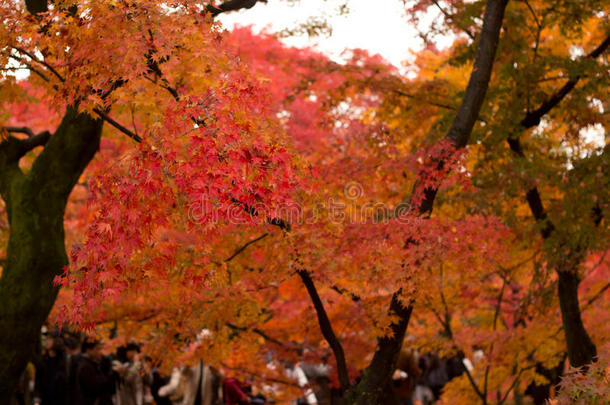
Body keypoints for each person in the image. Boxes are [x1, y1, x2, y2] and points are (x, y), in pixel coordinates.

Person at [73, 338, 116, 405]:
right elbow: (98, 386)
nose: (101, 352)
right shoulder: (85, 366)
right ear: (88, 350)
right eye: (98, 349)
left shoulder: (93, 363)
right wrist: (113, 373)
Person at [33, 330, 68, 405]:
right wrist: (37, 400)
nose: (46, 341)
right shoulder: (43, 361)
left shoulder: (66, 361)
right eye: (46, 339)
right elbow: (38, 383)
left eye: (50, 338)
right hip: (45, 400)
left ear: (58, 341)